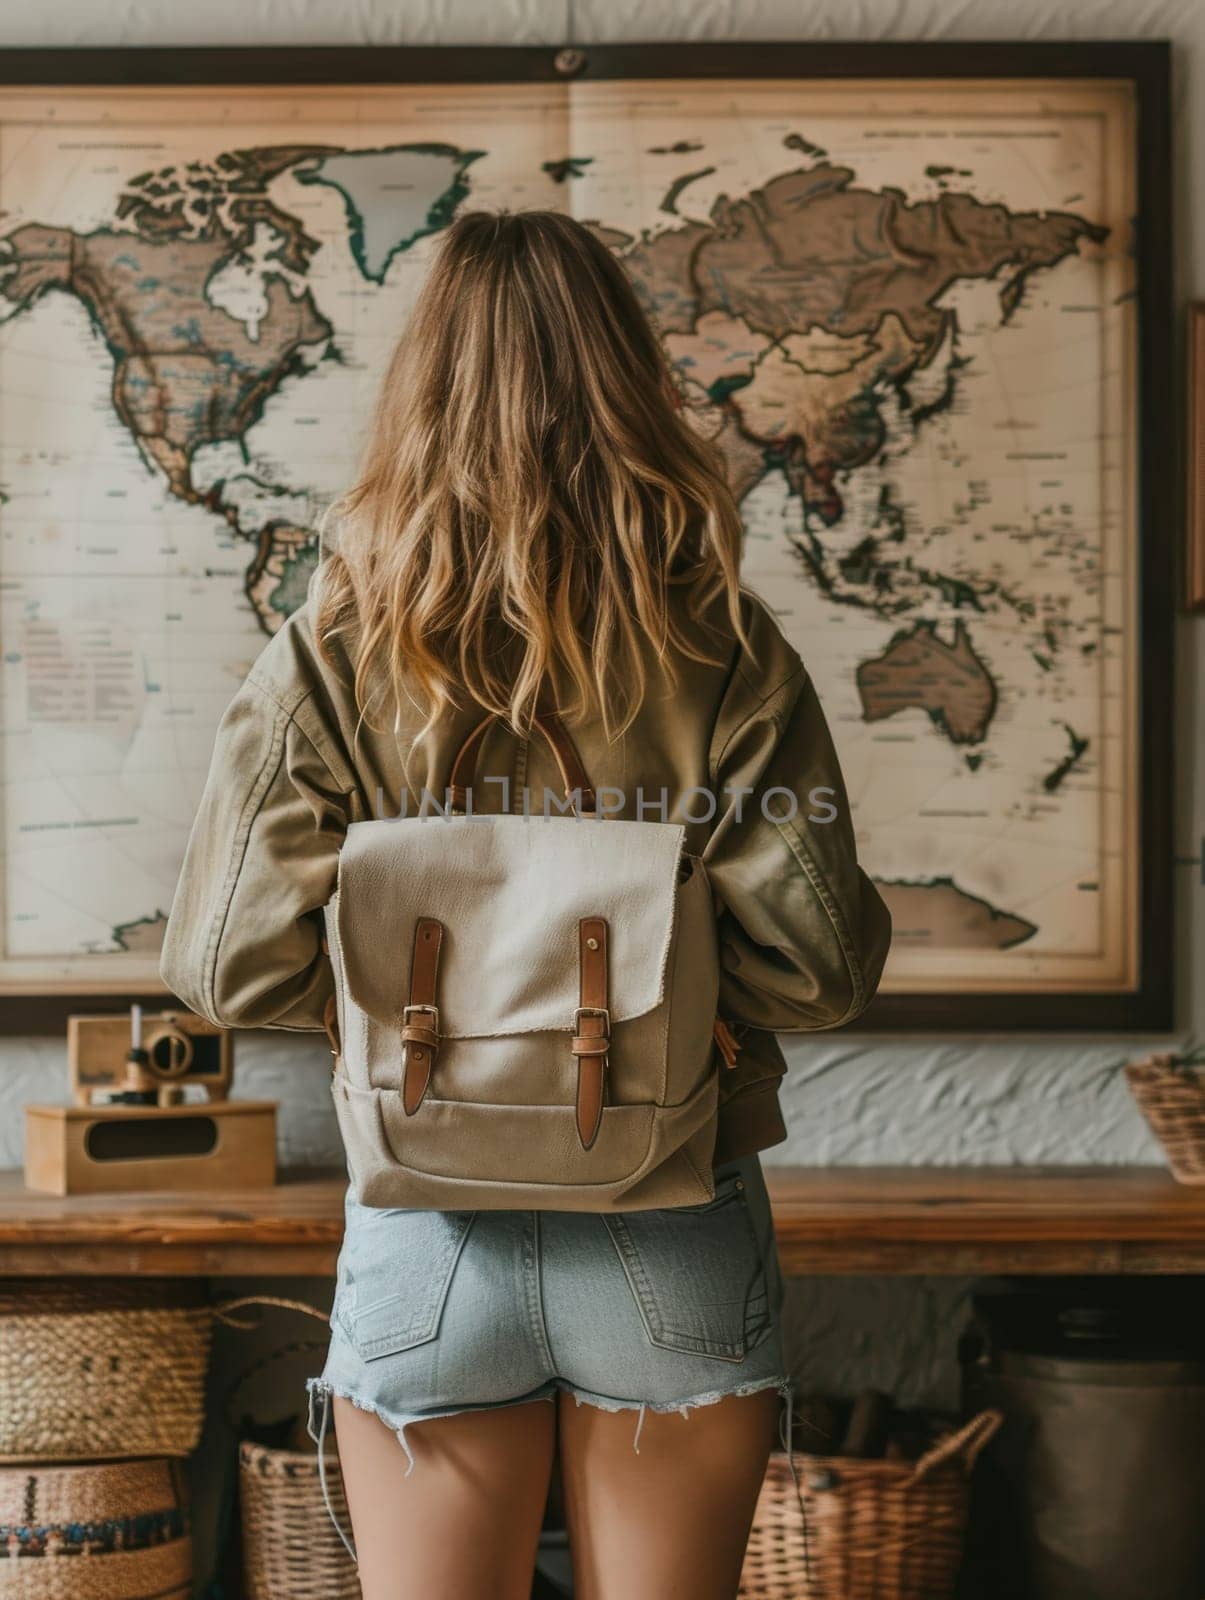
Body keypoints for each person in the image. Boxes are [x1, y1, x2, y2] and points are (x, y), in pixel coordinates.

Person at [160, 208, 891, 1600]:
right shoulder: (722, 643)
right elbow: (819, 971)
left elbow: (226, 969)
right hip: (669, 1212)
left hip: (423, 1222)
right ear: (627, 378)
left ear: (419, 387)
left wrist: (427, 963)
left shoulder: (332, 641)